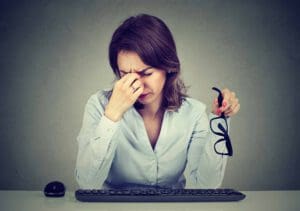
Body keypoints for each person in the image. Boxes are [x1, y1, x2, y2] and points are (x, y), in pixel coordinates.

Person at [75, 14, 240, 189]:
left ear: (168, 67)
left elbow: (207, 185)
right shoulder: (98, 105)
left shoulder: (193, 113)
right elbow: (87, 183)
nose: (136, 84)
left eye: (146, 73)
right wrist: (112, 116)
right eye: (125, 74)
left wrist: (219, 121)